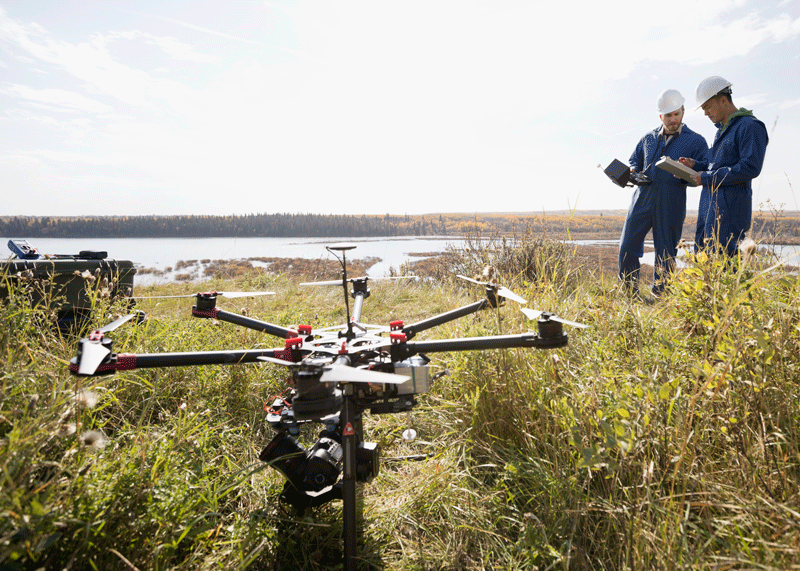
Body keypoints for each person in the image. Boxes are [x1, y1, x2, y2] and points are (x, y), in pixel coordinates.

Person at [619, 89, 709, 296]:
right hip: (642, 197)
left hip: (672, 199)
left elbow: (707, 165)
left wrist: (693, 165)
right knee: (627, 246)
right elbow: (635, 160)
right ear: (661, 116)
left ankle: (660, 295)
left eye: (676, 114)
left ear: (683, 112)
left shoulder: (696, 141)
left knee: (666, 252)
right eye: (668, 115)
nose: (673, 119)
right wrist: (632, 169)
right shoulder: (647, 139)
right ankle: (628, 292)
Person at [679, 76, 768, 256]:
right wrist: (696, 165)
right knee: (704, 265)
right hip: (708, 210)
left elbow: (750, 167)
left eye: (707, 107)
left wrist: (705, 177)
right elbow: (716, 165)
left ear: (723, 100)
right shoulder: (722, 131)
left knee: (726, 267)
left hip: (730, 214)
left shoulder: (750, 126)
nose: (705, 113)